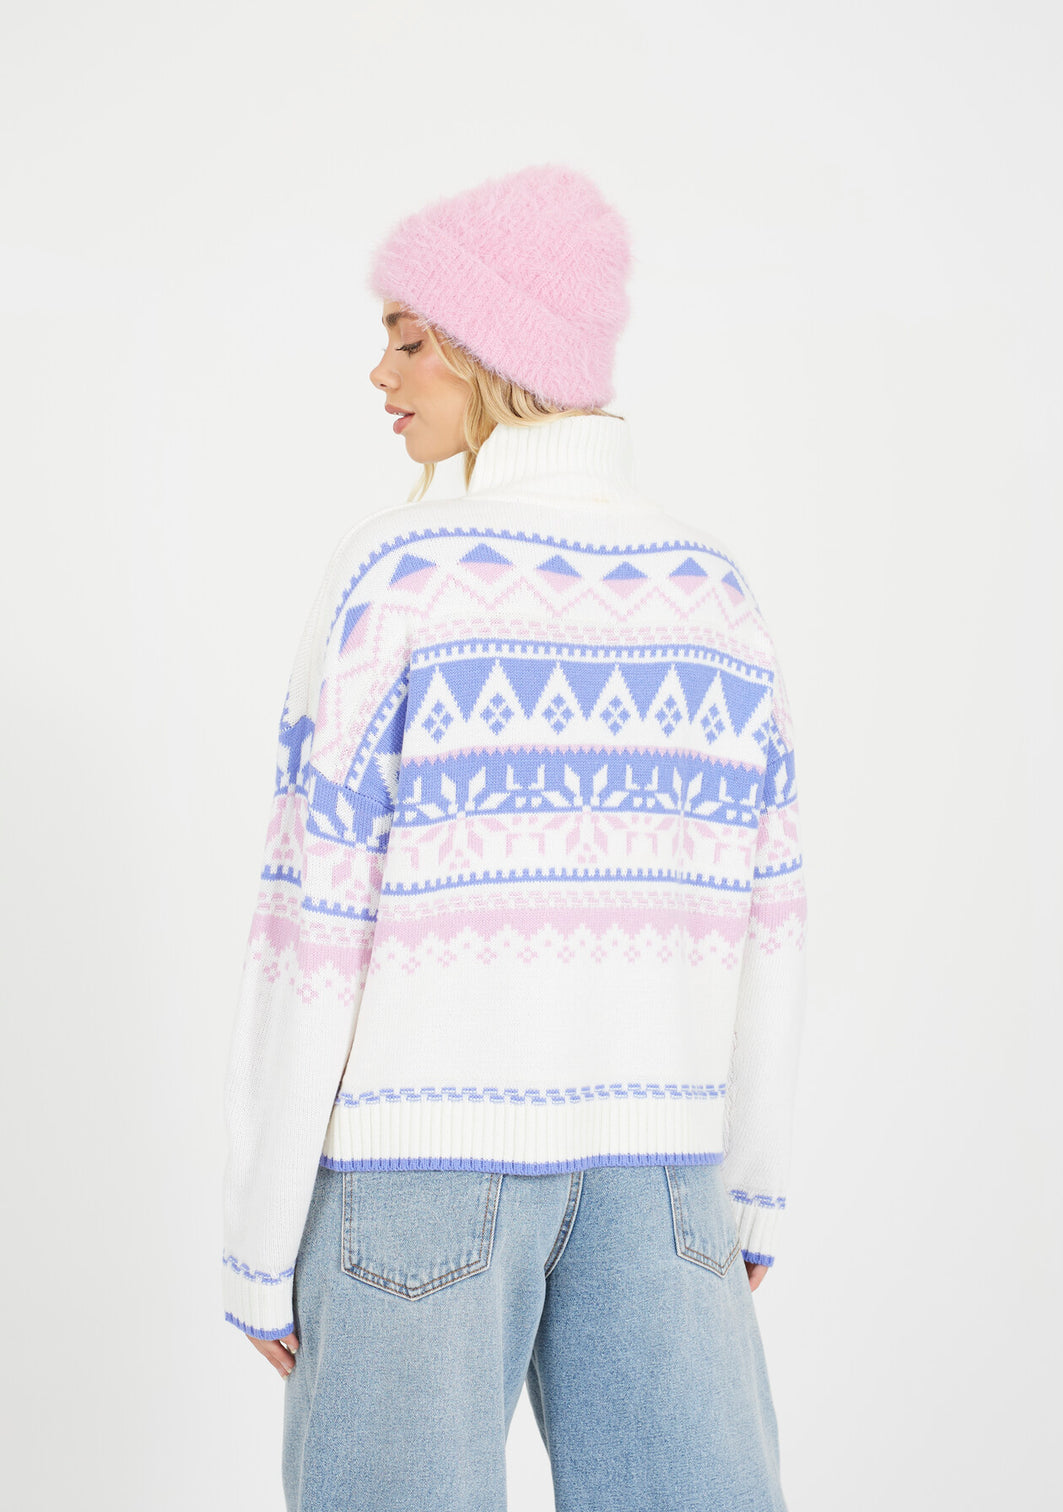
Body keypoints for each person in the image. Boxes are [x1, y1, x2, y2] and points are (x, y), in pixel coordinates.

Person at [221, 162, 808, 1511]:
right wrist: (754, 1186)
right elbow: (770, 917)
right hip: (665, 1175)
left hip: (412, 1173)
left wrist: (260, 1237)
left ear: (498, 354)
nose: (381, 375)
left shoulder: (398, 580)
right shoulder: (713, 592)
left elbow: (311, 925)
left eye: (411, 339)